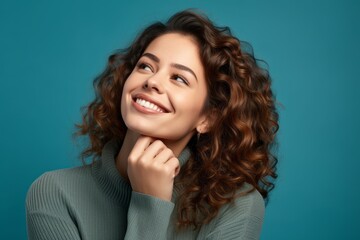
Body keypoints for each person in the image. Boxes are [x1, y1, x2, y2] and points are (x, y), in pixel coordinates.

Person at [26, 9, 278, 240]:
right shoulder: (54, 193)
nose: (153, 81)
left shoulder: (236, 204)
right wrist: (150, 205)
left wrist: (149, 202)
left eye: (179, 78)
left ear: (208, 117)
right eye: (146, 66)